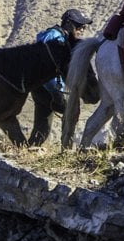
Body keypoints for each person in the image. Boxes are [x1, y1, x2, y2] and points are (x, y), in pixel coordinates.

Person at [28, 8, 94, 145]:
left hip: (42, 87)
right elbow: (44, 64)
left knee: (43, 126)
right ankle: (67, 147)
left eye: (84, 26)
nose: (82, 29)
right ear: (68, 23)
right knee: (72, 111)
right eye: (79, 25)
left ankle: (32, 147)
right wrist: (56, 91)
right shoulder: (53, 36)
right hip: (48, 87)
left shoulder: (60, 37)